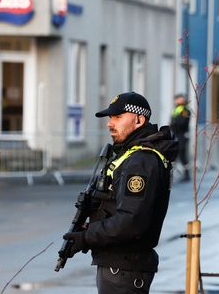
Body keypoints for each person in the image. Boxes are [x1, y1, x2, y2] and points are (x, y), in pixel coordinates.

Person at [62, 92, 178, 293]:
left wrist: (87, 236)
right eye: (110, 118)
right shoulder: (131, 154)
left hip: (124, 268)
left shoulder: (141, 161)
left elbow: (131, 222)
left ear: (139, 120)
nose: (110, 124)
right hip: (120, 265)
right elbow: (115, 206)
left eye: (117, 117)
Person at [170, 94, 191, 182]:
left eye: (178, 99)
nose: (176, 101)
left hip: (182, 135)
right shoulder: (176, 109)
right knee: (174, 155)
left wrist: (174, 124)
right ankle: (171, 174)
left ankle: (186, 174)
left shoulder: (185, 110)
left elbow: (182, 122)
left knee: (182, 155)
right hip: (176, 134)